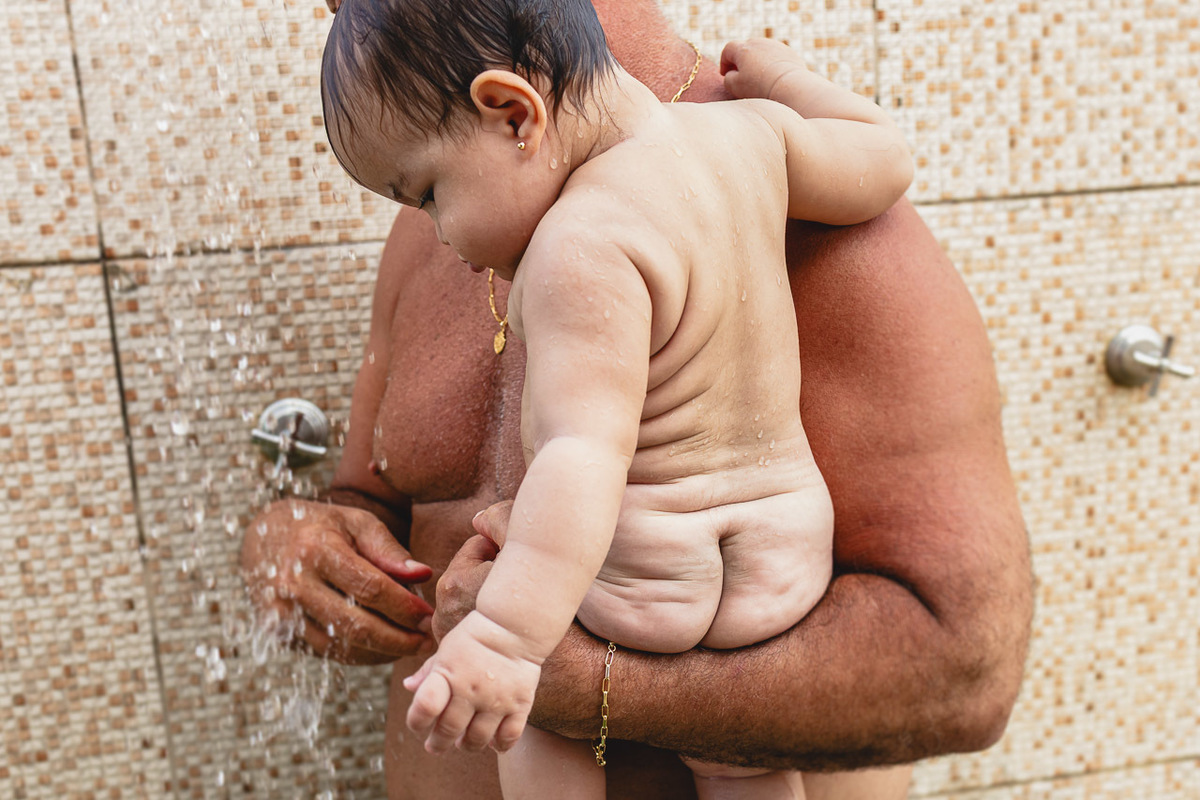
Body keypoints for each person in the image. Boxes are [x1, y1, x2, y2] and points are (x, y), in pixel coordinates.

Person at [241, 1, 1033, 798]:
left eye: (427, 197)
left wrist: (569, 679)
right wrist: (300, 539)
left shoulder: (813, 222)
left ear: (514, 109)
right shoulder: (433, 220)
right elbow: (370, 495)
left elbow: (964, 668)